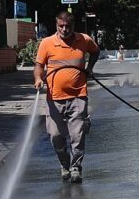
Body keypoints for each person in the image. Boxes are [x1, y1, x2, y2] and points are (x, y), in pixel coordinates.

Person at [33, 11, 100, 183]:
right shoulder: (47, 43)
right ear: (56, 25)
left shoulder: (83, 40)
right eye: (60, 26)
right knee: (55, 135)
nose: (64, 29)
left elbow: (95, 51)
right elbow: (39, 65)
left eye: (67, 26)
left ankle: (76, 167)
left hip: (78, 96)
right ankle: (64, 163)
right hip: (54, 98)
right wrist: (38, 79)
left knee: (77, 135)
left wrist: (90, 69)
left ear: (73, 25)